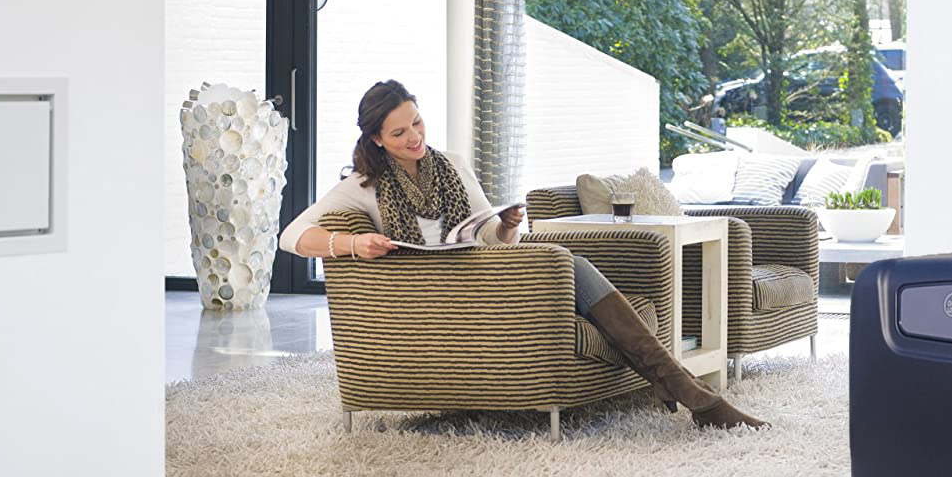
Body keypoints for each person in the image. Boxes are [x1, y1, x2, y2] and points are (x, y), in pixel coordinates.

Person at [280, 79, 765, 431]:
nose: (415, 137)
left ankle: (687, 391)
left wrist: (506, 226)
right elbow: (292, 235)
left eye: (417, 122)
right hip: (433, 299)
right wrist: (353, 244)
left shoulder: (452, 166)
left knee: (567, 264)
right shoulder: (363, 186)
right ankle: (688, 392)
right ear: (376, 140)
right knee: (570, 265)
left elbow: (488, 236)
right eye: (399, 132)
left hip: (481, 273)